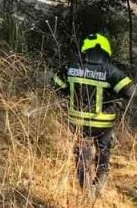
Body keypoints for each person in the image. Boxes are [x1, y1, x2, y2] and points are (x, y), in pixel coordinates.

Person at [53, 33, 133, 193]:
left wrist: (69, 93)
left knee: (81, 150)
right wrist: (114, 95)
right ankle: (99, 183)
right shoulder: (111, 71)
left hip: (77, 121)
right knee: (104, 148)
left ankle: (85, 186)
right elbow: (130, 92)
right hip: (103, 122)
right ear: (105, 50)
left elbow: (56, 85)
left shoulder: (71, 67)